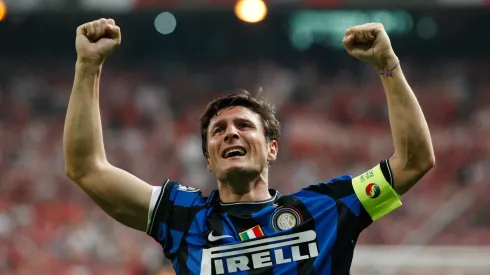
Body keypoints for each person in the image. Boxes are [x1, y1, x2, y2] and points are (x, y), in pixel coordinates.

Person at [63, 18, 435, 275]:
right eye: (218, 131)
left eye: (244, 126)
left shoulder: (325, 209)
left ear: (272, 148)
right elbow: (86, 168)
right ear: (208, 158)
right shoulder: (181, 215)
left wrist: (387, 64)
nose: (230, 133)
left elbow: (415, 161)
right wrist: (88, 65)